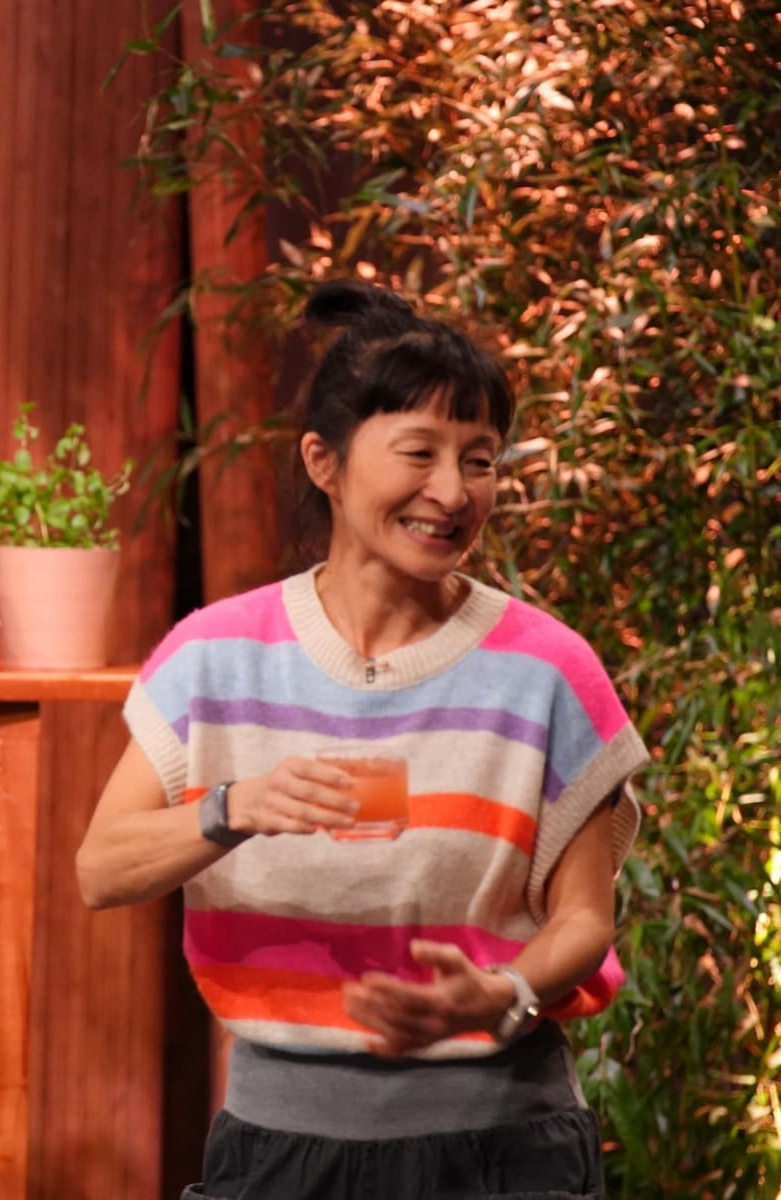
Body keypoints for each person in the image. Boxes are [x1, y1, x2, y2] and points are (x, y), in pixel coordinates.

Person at [75, 280, 647, 1198]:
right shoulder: (215, 657)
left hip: (505, 1146)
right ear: (324, 462)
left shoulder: (548, 670)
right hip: (279, 1148)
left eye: (481, 460)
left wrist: (503, 993)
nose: (453, 493)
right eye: (418, 453)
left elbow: (586, 918)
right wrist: (236, 806)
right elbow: (101, 870)